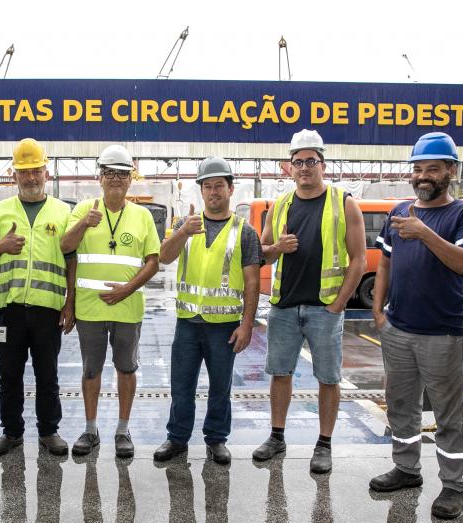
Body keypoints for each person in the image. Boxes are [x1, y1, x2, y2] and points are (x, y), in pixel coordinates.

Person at [369, 132, 463, 519]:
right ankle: (406, 469)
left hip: (443, 332)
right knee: (401, 406)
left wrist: (424, 233)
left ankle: (453, 486)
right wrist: (378, 312)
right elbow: (385, 263)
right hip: (398, 329)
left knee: (449, 413)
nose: (422, 176)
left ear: (451, 171)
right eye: (417, 168)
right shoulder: (400, 210)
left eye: (432, 168)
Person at [253, 129, 366, 474]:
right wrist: (276, 248)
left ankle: (324, 444)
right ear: (289, 168)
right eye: (298, 162)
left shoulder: (344, 203)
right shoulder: (280, 206)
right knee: (280, 374)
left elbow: (359, 259)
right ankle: (276, 437)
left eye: (311, 161)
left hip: (324, 309)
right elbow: (262, 254)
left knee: (328, 378)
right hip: (284, 307)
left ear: (322, 165)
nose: (304, 167)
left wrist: (338, 304)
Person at [153, 156, 262, 465]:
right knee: (181, 385)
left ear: (230, 189)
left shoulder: (244, 232)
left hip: (224, 325)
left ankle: (216, 439)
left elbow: (253, 282)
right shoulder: (186, 225)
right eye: (208, 186)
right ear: (201, 191)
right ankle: (177, 438)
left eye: (219, 186)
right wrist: (182, 232)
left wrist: (247, 325)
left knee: (220, 387)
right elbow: (163, 257)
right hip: (188, 322)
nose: (213, 192)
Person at [0, 138, 74, 457]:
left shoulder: (64, 212)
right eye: (24, 171)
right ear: (13, 174)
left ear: (47, 172)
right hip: (9, 311)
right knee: (9, 376)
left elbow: (72, 260)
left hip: (48, 310)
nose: (30, 177)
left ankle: (49, 431)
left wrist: (70, 303)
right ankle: (11, 433)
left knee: (48, 375)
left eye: (36, 170)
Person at [60, 145, 160, 458]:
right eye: (109, 173)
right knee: (91, 370)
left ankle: (122, 430)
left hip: (128, 309)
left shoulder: (142, 216)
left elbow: (153, 262)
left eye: (122, 173)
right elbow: (65, 247)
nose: (115, 178)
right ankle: (90, 430)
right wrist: (83, 224)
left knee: (126, 369)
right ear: (100, 178)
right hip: (89, 309)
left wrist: (127, 289)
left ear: (131, 179)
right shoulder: (83, 210)